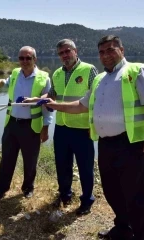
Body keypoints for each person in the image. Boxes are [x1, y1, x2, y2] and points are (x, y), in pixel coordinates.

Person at [30, 35, 144, 240]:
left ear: (121, 50)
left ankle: (142, 236)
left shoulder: (137, 70)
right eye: (102, 52)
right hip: (106, 144)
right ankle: (122, 227)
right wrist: (52, 104)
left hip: (131, 144)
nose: (106, 55)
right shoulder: (100, 79)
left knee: (135, 195)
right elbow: (81, 105)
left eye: (110, 50)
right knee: (111, 190)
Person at [45, 39, 98, 216]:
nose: (65, 55)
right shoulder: (57, 73)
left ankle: (87, 200)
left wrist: (94, 124)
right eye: (61, 53)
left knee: (85, 167)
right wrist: (37, 100)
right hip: (61, 127)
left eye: (68, 51)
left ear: (76, 51)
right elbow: (52, 94)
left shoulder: (89, 70)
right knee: (62, 164)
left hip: (83, 128)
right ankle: (65, 195)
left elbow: (95, 99)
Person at [0, 46, 53, 199]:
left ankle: (28, 188)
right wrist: (0, 82)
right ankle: (2, 187)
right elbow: (8, 82)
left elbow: (47, 104)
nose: (25, 61)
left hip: (31, 126)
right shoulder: (14, 73)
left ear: (35, 59)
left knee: (30, 159)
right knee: (7, 158)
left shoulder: (44, 78)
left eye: (28, 58)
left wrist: (45, 127)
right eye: (21, 58)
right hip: (11, 124)